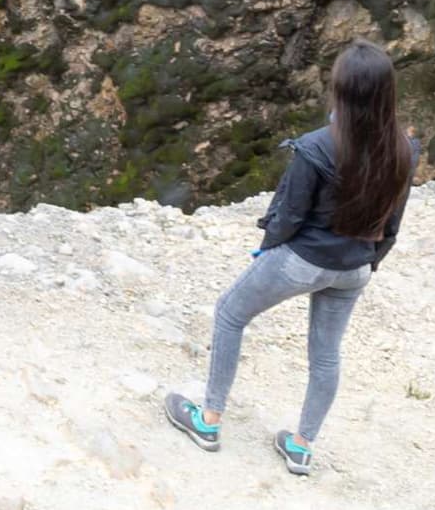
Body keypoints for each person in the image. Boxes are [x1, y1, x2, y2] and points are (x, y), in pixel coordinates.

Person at [164, 41, 416, 476]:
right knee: (326, 355)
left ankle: (208, 420)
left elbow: (288, 215)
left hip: (304, 259)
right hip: (354, 268)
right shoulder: (405, 150)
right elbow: (393, 220)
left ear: (340, 90)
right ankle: (301, 447)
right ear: (386, 93)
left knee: (229, 313)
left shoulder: (316, 147)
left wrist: (268, 247)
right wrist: (370, 261)